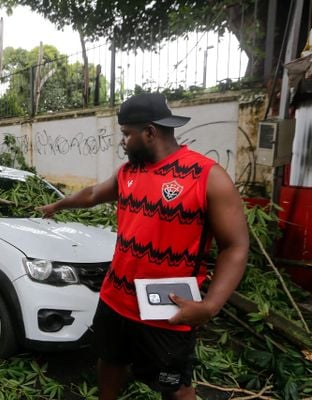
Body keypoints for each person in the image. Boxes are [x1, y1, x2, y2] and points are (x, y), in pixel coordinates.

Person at [37, 93, 249, 400]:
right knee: (110, 362)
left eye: (126, 134)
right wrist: (57, 204)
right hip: (115, 299)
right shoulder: (128, 173)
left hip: (169, 308)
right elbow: (93, 193)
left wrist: (210, 305)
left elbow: (235, 246)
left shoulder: (206, 177)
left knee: (176, 388)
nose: (122, 142)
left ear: (149, 132)